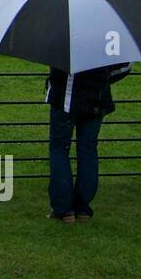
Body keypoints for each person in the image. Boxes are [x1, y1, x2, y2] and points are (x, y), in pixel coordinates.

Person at [44, 62, 130, 223]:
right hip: (97, 97)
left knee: (59, 148)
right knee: (88, 149)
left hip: (65, 97)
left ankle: (64, 209)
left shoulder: (61, 36)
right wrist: (100, 78)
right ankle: (83, 207)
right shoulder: (109, 35)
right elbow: (125, 66)